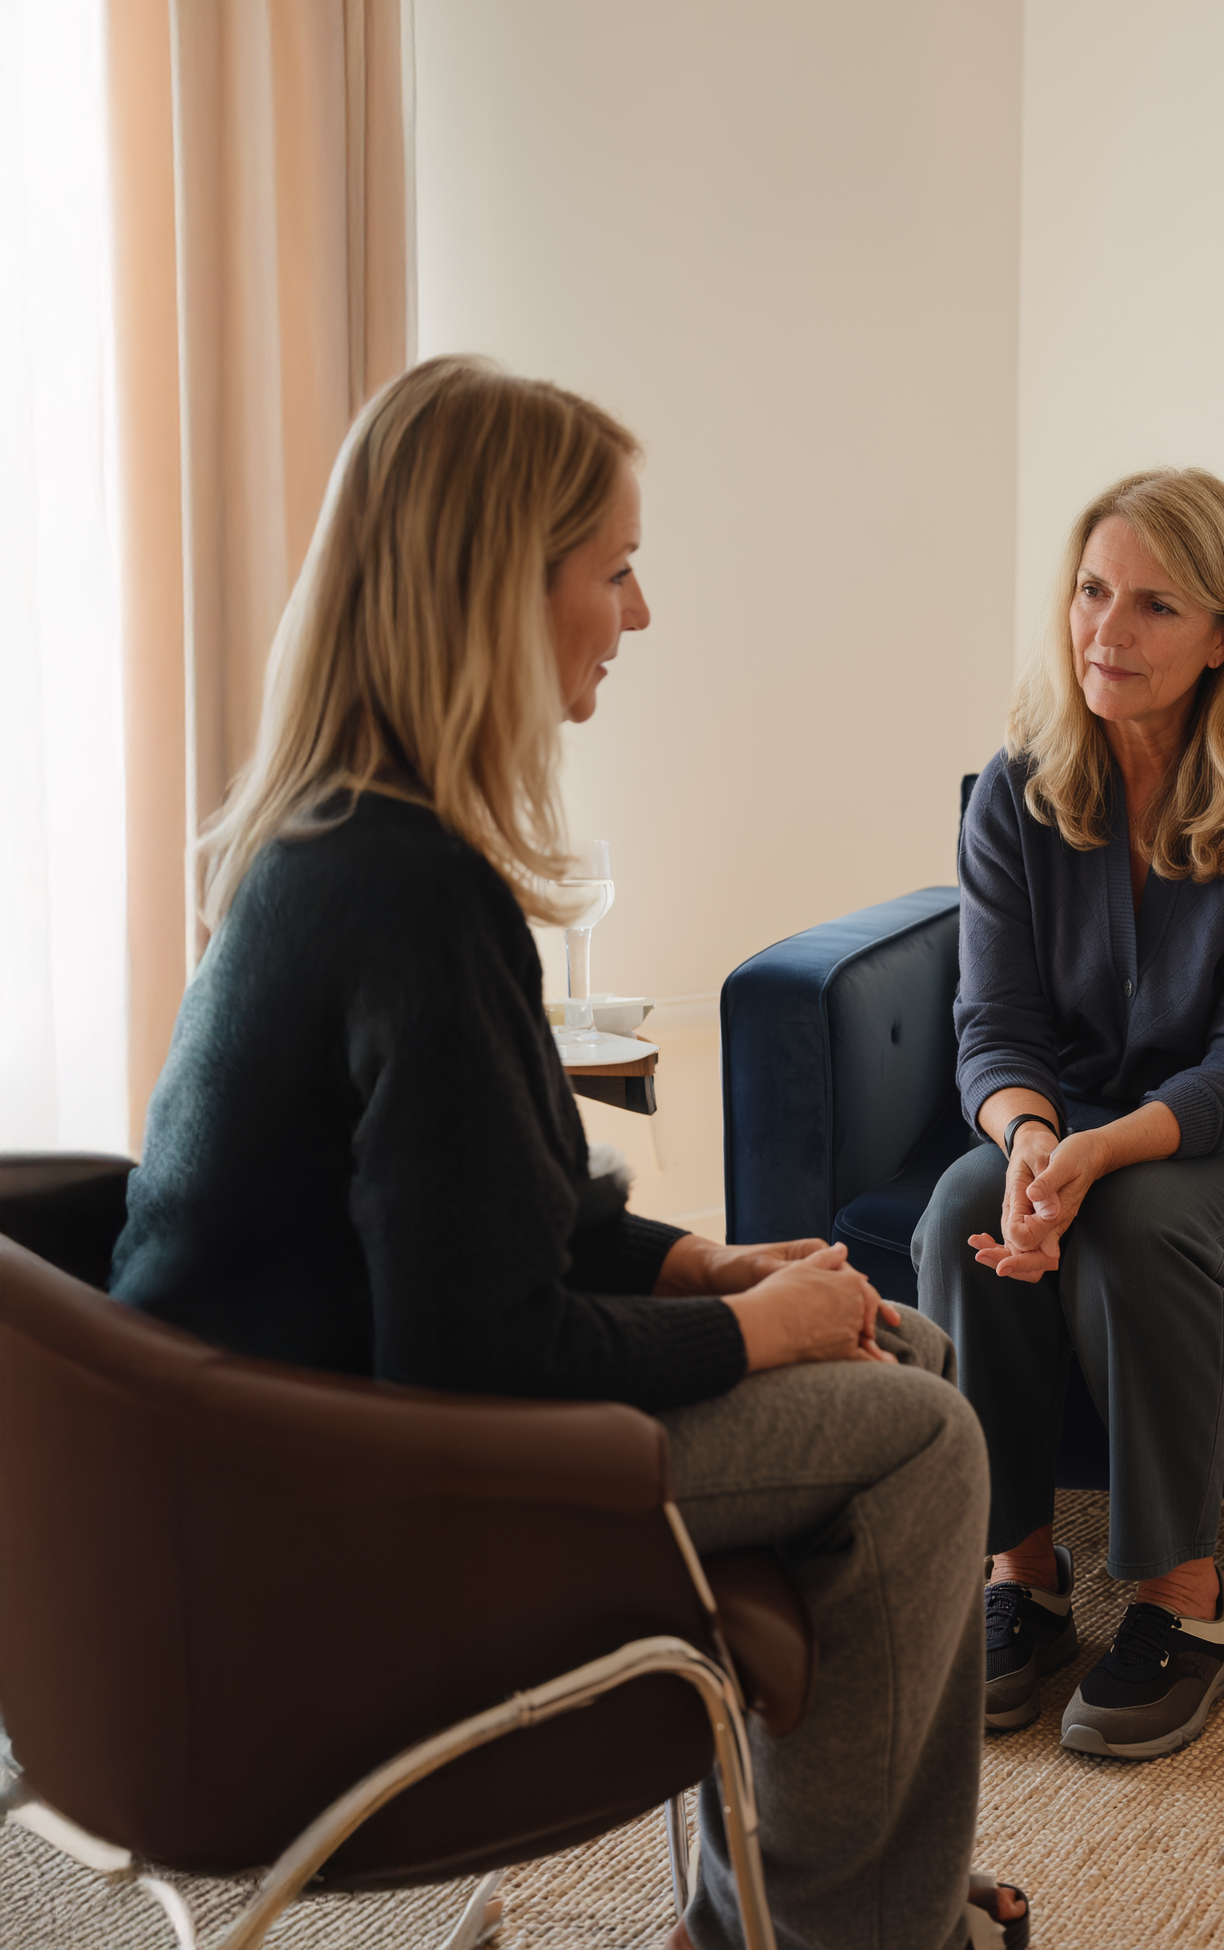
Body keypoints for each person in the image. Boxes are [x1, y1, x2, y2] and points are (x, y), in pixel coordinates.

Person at [109, 357, 1028, 1950]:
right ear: (495, 590)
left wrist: (695, 1263)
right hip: (352, 1522)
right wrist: (752, 1329)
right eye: (614, 568)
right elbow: (482, 1345)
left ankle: (773, 1918)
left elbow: (485, 1207)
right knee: (927, 1446)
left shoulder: (341, 841)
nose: (641, 612)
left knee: (911, 1345)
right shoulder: (410, 894)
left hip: (279, 1471)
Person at [914, 468, 1224, 1765]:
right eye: (1089, 592)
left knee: (1136, 1224)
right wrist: (1027, 1146)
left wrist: (1097, 1152)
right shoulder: (1013, 789)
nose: (1105, 632)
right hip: (1074, 1123)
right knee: (963, 1204)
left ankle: (1188, 1604)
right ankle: (1020, 1578)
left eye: (1153, 606)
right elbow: (994, 1033)